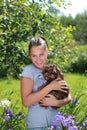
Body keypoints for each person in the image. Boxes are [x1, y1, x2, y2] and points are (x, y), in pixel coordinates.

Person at [20, 36, 71, 130]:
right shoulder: (29, 71)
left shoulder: (52, 70)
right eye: (34, 56)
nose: (38, 59)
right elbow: (26, 101)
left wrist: (56, 102)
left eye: (41, 54)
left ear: (47, 52)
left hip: (55, 124)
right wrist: (51, 86)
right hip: (37, 125)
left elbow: (68, 97)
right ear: (29, 55)